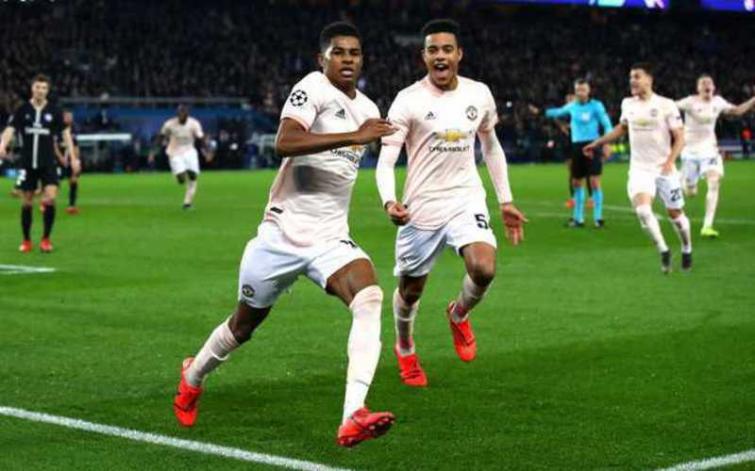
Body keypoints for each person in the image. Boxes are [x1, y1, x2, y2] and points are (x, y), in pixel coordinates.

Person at [173, 22, 397, 448]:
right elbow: (285, 141)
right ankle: (193, 376)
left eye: (354, 53)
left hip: (330, 238)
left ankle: (353, 414)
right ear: (321, 59)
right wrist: (355, 135)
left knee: (369, 298)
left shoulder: (368, 107)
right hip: (280, 235)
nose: (347, 59)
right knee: (243, 326)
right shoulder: (311, 88)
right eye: (338, 52)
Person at [376, 19, 527, 388]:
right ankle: (405, 347)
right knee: (410, 291)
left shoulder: (479, 93)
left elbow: (491, 145)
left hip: (465, 197)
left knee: (484, 268)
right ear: (423, 56)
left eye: (447, 49)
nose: (440, 56)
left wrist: (505, 200)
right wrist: (389, 200)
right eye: (433, 50)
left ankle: (458, 315)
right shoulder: (408, 100)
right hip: (420, 207)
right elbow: (386, 159)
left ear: (459, 54)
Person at [584, 63, 691, 273]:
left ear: (649, 79)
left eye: (637, 76)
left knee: (676, 214)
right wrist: (598, 143)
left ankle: (687, 247)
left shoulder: (666, 104)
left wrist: (670, 161)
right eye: (631, 77)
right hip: (640, 169)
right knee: (643, 210)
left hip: (664, 168)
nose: (632, 80)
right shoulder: (628, 104)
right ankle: (664, 250)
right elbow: (621, 128)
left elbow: (680, 137)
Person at [0, 74, 75, 253]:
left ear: (47, 91)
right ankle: (26, 240)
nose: (40, 91)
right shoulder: (22, 110)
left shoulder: (54, 111)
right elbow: (10, 129)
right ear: (32, 89)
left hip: (48, 162)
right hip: (27, 163)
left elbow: (66, 134)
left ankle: (46, 239)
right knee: (27, 202)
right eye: (37, 87)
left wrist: (73, 157)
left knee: (50, 198)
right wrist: (2, 145)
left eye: (44, 88)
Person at [676, 75, 755, 238]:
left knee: (714, 181)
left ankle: (707, 226)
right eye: (703, 83)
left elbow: (737, 110)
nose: (707, 85)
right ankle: (681, 178)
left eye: (709, 83)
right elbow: (669, 107)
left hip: (709, 150)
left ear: (713, 87)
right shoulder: (689, 102)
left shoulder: (718, 102)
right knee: (690, 192)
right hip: (690, 151)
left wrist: (753, 99)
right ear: (698, 88)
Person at [542, 79, 613, 228]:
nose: (580, 93)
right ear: (575, 92)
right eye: (578, 90)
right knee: (576, 182)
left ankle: (598, 218)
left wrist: (607, 143)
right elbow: (558, 112)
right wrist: (542, 111)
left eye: (583, 90)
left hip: (593, 145)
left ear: (588, 91)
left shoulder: (596, 106)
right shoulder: (572, 106)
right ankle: (578, 218)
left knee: (594, 182)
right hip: (577, 146)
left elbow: (607, 125)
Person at [153, 105, 210, 209]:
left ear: (187, 114)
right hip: (174, 152)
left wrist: (207, 151)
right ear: (177, 114)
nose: (182, 116)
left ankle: (187, 203)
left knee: (193, 176)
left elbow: (201, 138)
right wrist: (153, 151)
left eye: (184, 113)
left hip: (189, 151)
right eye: (180, 114)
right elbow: (161, 137)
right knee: (181, 179)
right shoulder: (169, 124)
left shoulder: (194, 123)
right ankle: (180, 175)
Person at [55, 110, 82, 214]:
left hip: (70, 160)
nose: (70, 118)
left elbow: (76, 146)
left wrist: (77, 160)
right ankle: (46, 203)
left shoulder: (74, 130)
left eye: (71, 116)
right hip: (58, 160)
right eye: (67, 116)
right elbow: (54, 145)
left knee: (73, 181)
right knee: (55, 183)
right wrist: (60, 157)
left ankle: (71, 205)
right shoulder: (57, 129)